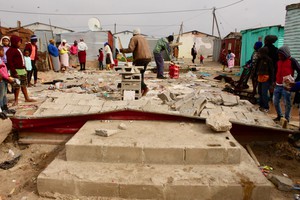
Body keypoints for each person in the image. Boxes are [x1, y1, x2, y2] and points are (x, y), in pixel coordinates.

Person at [120, 28, 152, 96]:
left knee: (136, 75)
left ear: (133, 33)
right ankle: (141, 89)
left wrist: (122, 50)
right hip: (148, 58)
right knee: (141, 74)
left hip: (140, 59)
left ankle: (144, 87)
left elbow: (130, 49)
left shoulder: (134, 38)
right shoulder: (144, 38)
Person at [6, 35, 36, 106]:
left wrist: (24, 68)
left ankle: (26, 98)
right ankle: (16, 100)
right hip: (16, 71)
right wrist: (14, 72)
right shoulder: (10, 51)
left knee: (23, 85)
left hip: (22, 70)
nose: (20, 44)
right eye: (19, 42)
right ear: (14, 42)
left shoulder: (18, 49)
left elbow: (22, 60)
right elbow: (10, 62)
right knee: (17, 86)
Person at [273, 45, 300, 122]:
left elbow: (299, 71)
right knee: (275, 102)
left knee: (287, 103)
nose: (279, 56)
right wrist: (274, 81)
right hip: (278, 85)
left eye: (281, 55)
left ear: (285, 54)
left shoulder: (292, 61)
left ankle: (286, 119)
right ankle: (279, 116)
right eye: (278, 55)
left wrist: (295, 82)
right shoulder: (278, 61)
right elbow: (276, 71)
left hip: (287, 86)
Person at [256, 47, 274, 113]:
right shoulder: (260, 60)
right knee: (260, 92)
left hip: (266, 79)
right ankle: (261, 106)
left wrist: (272, 82)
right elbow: (257, 69)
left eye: (260, 53)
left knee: (264, 93)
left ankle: (266, 107)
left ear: (264, 53)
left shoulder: (269, 60)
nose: (259, 54)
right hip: (260, 78)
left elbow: (272, 71)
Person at [0, 46, 16, 119]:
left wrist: (8, 76)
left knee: (4, 95)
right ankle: (1, 110)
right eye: (2, 51)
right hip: (1, 80)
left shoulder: (1, 60)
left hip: (4, 79)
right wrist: (7, 77)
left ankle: (5, 108)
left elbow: (4, 70)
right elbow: (1, 72)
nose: (3, 52)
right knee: (1, 95)